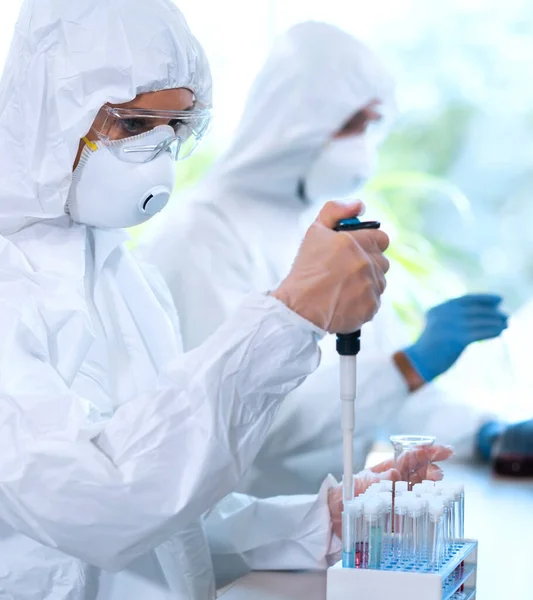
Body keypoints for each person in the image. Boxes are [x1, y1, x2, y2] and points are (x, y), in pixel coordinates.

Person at [0, 2, 452, 599]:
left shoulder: (122, 276)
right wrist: (291, 315)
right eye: (135, 126)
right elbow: (99, 503)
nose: (159, 155)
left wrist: (321, 520)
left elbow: (170, 518)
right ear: (49, 116)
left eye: (178, 128)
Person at [137, 20, 510, 505]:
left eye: (374, 126)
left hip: (324, 527)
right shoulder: (202, 234)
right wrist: (406, 365)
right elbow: (239, 411)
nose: (365, 144)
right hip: (243, 541)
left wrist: (489, 433)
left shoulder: (323, 223)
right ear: (296, 123)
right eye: (355, 123)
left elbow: (390, 388)